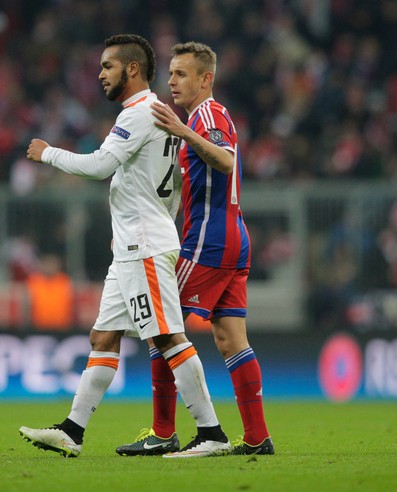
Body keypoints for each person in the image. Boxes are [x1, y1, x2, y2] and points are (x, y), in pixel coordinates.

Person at [18, 34, 230, 459]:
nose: (100, 74)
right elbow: (169, 191)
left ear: (131, 69)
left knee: (168, 337)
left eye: (107, 66)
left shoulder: (139, 113)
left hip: (144, 247)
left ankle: (212, 432)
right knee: (103, 336)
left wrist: (48, 154)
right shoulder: (161, 114)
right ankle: (72, 431)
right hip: (134, 244)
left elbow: (99, 165)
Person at [115, 42, 274, 457]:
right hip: (231, 237)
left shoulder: (207, 115)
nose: (171, 81)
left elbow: (225, 160)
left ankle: (166, 430)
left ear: (206, 79)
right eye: (169, 74)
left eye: (181, 74)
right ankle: (258, 437)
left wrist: (183, 132)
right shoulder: (199, 119)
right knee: (230, 338)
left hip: (210, 240)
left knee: (162, 328)